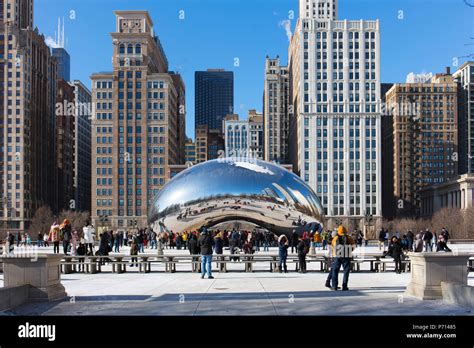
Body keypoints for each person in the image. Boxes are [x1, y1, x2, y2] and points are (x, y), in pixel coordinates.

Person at [330, 226, 355, 291]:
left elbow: (332, 247)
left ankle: (334, 286)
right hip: (347, 256)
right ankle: (344, 286)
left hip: (337, 256)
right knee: (346, 271)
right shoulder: (349, 238)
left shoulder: (335, 238)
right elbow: (353, 247)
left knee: (335, 271)